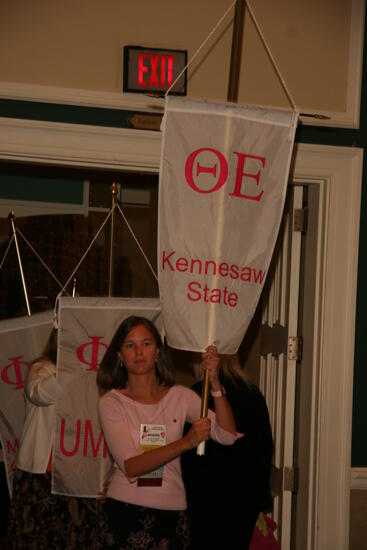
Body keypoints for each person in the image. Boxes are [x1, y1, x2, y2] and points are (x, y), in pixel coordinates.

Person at [95, 315, 241, 549]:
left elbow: (227, 435)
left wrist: (214, 384)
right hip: (124, 512)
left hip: (172, 516)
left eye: (146, 343)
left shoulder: (180, 396)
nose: (139, 352)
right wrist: (186, 442)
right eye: (130, 345)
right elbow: (131, 466)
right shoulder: (112, 402)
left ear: (158, 352)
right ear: (120, 356)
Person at [6, 328, 101, 549]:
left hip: (77, 476)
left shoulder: (95, 377)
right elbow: (39, 393)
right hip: (41, 476)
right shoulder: (42, 368)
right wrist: (75, 368)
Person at [181, 353, 274, 550]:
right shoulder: (253, 393)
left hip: (203, 507)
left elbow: (185, 460)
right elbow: (263, 452)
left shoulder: (197, 396)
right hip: (243, 507)